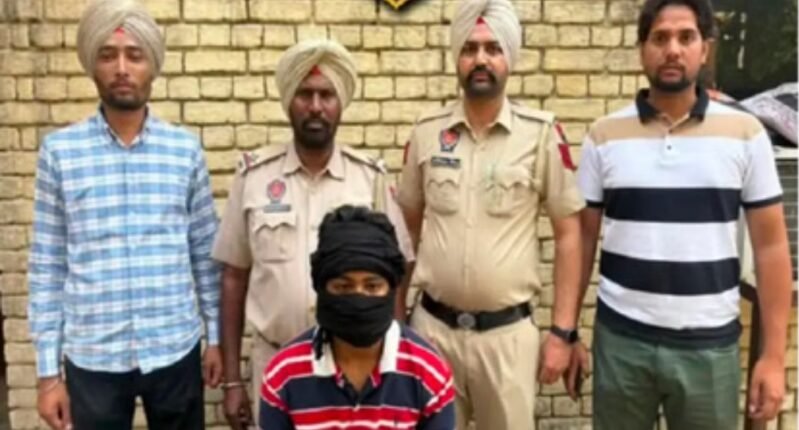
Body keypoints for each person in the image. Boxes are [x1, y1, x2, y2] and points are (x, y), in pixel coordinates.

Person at [574, 0, 793, 428]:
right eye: (660, 38)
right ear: (642, 50)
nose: (672, 49)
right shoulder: (604, 136)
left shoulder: (745, 134)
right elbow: (580, 240)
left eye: (685, 37)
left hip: (708, 348)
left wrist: (773, 357)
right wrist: (566, 331)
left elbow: (770, 247)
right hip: (621, 342)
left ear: (704, 49)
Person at [27, 1, 222, 429]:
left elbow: (205, 254)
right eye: (108, 55)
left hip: (174, 347)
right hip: (94, 355)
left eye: (134, 55)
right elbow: (47, 267)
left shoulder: (184, 151)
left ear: (152, 66)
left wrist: (216, 339)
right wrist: (47, 376)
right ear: (92, 66)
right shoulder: (60, 153)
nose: (121, 68)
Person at [396, 0, 585, 428]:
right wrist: (395, 320)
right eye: (469, 48)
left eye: (493, 48)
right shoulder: (427, 133)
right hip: (432, 334)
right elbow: (406, 230)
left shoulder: (540, 135)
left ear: (509, 58)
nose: (480, 59)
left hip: (507, 340)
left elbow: (569, 234)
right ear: (457, 59)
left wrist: (563, 332)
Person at [211, 39, 414, 429]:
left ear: (340, 104)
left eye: (326, 95)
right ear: (290, 101)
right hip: (275, 365)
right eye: (305, 94)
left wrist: (395, 362)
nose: (316, 106)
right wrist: (233, 380)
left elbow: (396, 273)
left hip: (356, 368)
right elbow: (234, 277)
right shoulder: (254, 177)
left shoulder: (368, 178)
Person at [259, 205, 455, 429]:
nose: (359, 298)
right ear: (322, 288)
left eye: (372, 287)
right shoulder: (283, 375)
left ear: (392, 288)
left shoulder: (429, 372)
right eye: (343, 287)